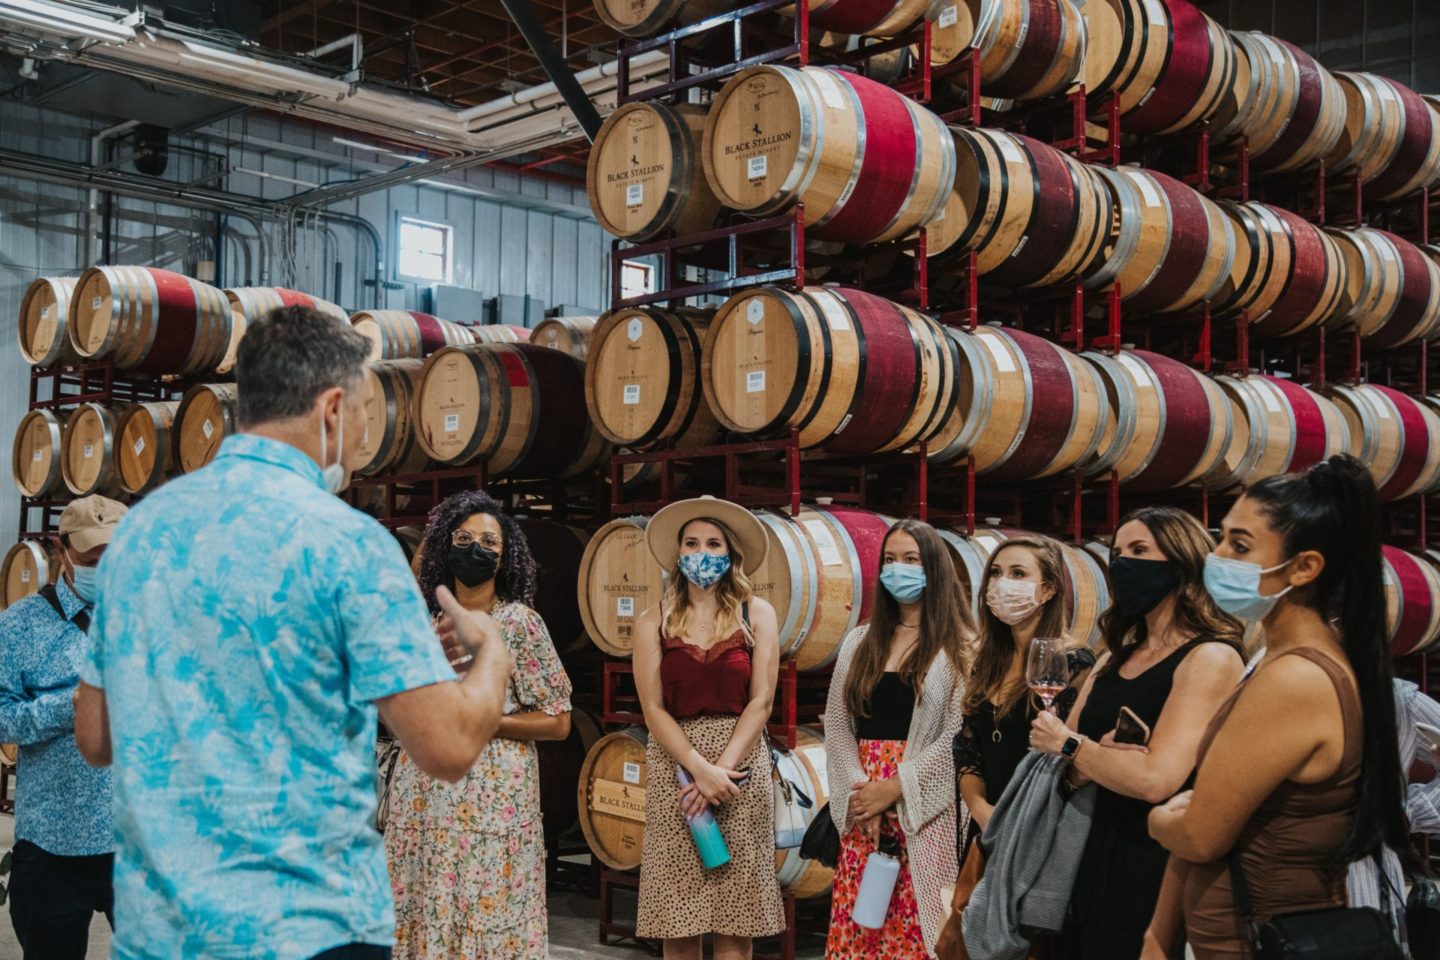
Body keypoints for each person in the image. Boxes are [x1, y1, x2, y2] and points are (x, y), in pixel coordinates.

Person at [72, 306, 514, 960]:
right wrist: (493, 658)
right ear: (333, 409)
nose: (368, 431)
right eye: (367, 411)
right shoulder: (351, 546)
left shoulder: (140, 533)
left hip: (161, 933)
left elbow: (96, 737)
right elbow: (447, 747)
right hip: (307, 931)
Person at [1144, 455, 1415, 959]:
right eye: (1222, 536)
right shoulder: (1294, 659)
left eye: (1240, 545)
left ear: (1305, 566)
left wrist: (1160, 819)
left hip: (1256, 939)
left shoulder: (1294, 679)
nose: (1218, 555)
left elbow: (1201, 836)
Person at [1027, 507, 1245, 960]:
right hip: (1083, 850)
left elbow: (1155, 779)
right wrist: (1091, 761)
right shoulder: (1113, 658)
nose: (1123, 563)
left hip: (1152, 862)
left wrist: (1075, 749)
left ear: (1183, 561)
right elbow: (1058, 766)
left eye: (1140, 551)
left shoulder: (1210, 658)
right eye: (1117, 553)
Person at [385, 489, 573, 960]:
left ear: (506, 557)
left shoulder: (519, 623)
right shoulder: (426, 622)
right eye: (463, 537)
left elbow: (559, 721)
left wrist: (487, 720)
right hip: (422, 798)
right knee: (421, 907)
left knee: (485, 914)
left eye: (489, 542)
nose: (475, 549)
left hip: (491, 803)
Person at [632, 495, 786, 959]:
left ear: (730, 554)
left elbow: (761, 701)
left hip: (739, 770)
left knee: (735, 919)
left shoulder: (756, 613)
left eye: (714, 543)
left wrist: (721, 768)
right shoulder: (652, 620)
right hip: (675, 769)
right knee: (676, 920)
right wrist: (699, 768)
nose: (703, 553)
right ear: (678, 554)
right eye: (692, 543)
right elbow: (653, 709)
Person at [824, 519, 973, 959]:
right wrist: (860, 794)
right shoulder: (859, 642)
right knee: (861, 931)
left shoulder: (961, 647)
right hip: (862, 810)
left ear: (935, 569)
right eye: (889, 560)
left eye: (911, 560)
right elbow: (837, 722)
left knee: (918, 932)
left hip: (925, 814)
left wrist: (894, 788)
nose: (898, 569)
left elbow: (957, 735)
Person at [942, 536, 1094, 960]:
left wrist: (1008, 819)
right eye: (996, 573)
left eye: (1018, 574)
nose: (1001, 583)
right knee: (976, 937)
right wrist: (981, 810)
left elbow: (1072, 761)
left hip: (1038, 828)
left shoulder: (1073, 662)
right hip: (988, 826)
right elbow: (967, 749)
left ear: (1047, 590)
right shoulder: (987, 658)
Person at [0, 496, 124, 958]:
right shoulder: (19, 628)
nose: (103, 566)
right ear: (61, 549)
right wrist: (66, 708)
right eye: (92, 556)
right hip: (53, 848)